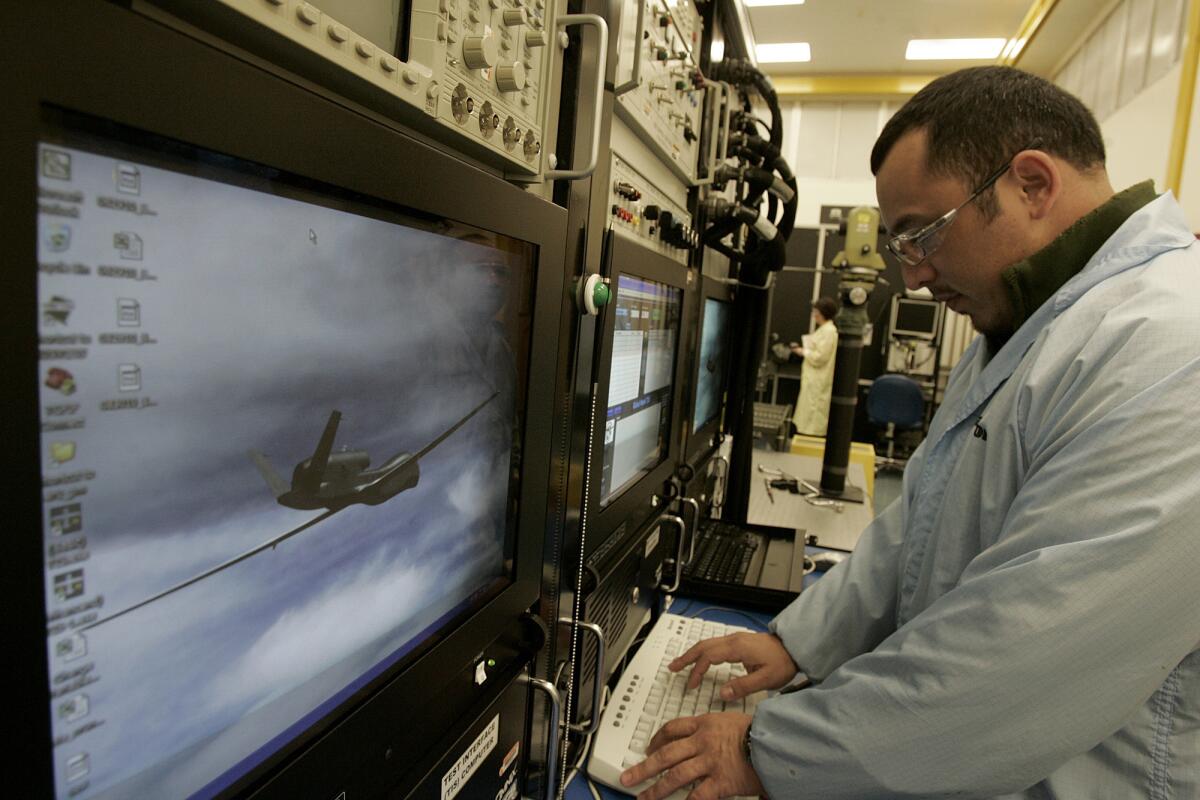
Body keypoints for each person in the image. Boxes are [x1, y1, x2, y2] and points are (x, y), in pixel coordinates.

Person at [620, 66, 1200, 799]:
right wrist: (796, 641)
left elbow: (1027, 656)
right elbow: (915, 527)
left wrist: (770, 751)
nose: (915, 277)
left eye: (920, 235)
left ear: (1032, 184)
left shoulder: (1172, 346)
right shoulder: (1024, 328)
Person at [788, 296, 838, 437]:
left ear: (822, 313)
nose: (814, 314)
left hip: (818, 381)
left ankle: (810, 439)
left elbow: (820, 357)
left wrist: (803, 351)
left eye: (816, 311)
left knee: (813, 415)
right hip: (814, 380)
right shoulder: (824, 330)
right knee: (808, 414)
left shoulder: (829, 331)